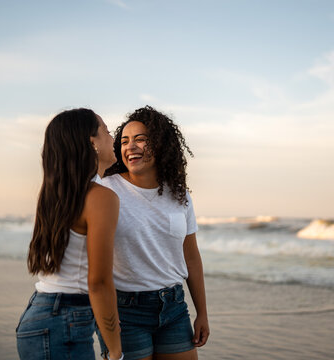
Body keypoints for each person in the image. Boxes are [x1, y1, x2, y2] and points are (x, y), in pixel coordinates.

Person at [102, 106, 209, 360]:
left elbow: (191, 256)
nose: (131, 147)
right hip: (124, 312)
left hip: (174, 308)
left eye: (140, 139)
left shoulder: (179, 195)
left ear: (160, 145)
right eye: (125, 141)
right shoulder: (106, 190)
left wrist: (202, 312)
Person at [16, 108, 123, 360]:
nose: (113, 138)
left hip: (40, 314)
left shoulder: (58, 195)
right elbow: (98, 282)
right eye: (107, 131)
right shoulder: (100, 197)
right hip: (64, 321)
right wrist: (115, 350)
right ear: (92, 142)